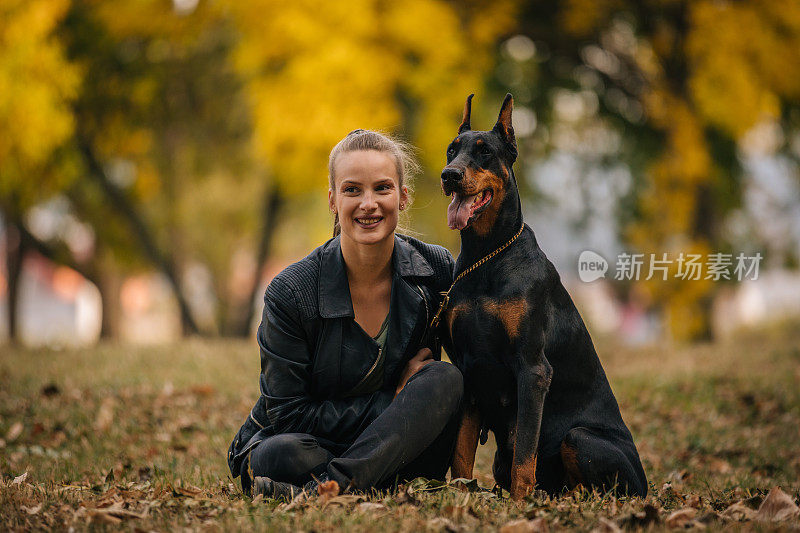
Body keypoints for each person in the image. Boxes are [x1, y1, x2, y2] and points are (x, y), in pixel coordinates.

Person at [227, 129, 463, 499]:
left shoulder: (436, 270)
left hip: (399, 443)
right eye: (352, 190)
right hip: (313, 446)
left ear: (403, 197)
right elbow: (287, 416)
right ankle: (357, 484)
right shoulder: (291, 291)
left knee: (444, 379)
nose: (368, 203)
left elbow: (479, 359)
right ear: (333, 200)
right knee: (277, 454)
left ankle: (324, 490)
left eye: (382, 188)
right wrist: (394, 398)